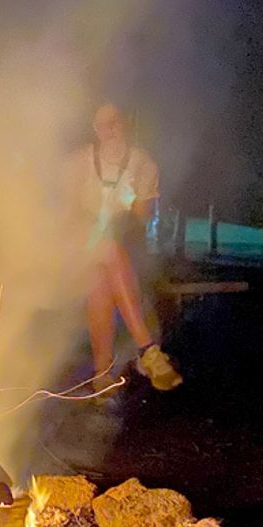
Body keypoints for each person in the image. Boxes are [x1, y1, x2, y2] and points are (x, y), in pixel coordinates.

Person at [63, 102, 182, 396]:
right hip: (79, 244)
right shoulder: (80, 161)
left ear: (126, 123)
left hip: (122, 248)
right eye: (102, 124)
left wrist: (129, 203)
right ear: (95, 128)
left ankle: (102, 375)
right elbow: (68, 214)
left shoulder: (143, 165)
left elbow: (142, 218)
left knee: (103, 271)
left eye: (114, 122)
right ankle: (148, 349)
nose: (109, 130)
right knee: (105, 252)